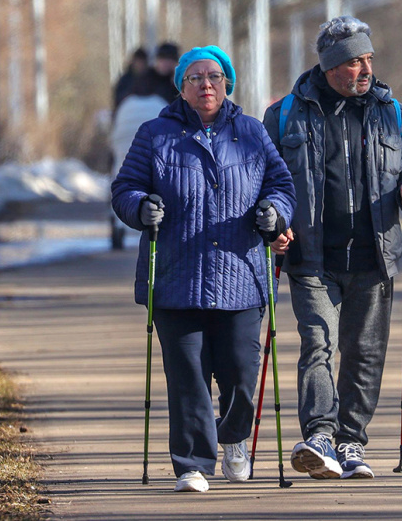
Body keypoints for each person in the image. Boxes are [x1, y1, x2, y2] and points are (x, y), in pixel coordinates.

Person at [112, 45, 295, 493]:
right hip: (177, 276)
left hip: (241, 275)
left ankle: (234, 438)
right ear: (181, 86)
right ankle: (192, 463)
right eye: (195, 78)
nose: (206, 85)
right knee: (187, 376)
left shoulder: (251, 132)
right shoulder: (155, 133)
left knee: (240, 372)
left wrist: (275, 212)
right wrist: (141, 208)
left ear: (227, 82)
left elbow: (281, 185)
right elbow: (125, 188)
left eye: (214, 76)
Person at [262, 16, 402, 481]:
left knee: (364, 352)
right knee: (318, 343)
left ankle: (351, 441)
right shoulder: (283, 115)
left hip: (376, 256)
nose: (365, 69)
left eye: (369, 59)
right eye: (355, 61)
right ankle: (319, 435)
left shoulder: (394, 113)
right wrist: (272, 223)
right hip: (311, 255)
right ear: (331, 65)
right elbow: (268, 181)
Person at [108, 76, 168, 250]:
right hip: (152, 152)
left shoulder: (125, 106)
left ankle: (119, 226)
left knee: (122, 184)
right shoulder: (159, 103)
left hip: (123, 149)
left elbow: (114, 134)